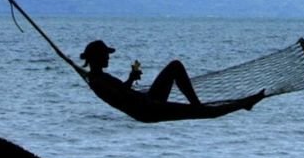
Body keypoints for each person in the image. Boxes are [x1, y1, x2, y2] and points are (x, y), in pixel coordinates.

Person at [78, 40, 264, 122]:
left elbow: (122, 92)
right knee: (206, 113)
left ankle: (199, 105)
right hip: (147, 109)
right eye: (105, 55)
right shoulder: (97, 81)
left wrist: (131, 79)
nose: (108, 58)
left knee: (175, 66)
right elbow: (120, 97)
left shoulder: (99, 77)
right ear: (97, 57)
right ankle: (243, 104)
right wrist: (130, 83)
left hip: (147, 102)